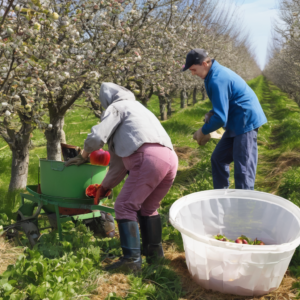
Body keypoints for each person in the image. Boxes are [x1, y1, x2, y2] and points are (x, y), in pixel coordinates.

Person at [65, 83, 178, 272]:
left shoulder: (116, 107)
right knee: (148, 208)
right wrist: (104, 187)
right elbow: (118, 164)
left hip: (148, 159)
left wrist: (83, 155)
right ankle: (154, 255)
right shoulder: (140, 110)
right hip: (170, 159)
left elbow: (96, 137)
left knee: (124, 206)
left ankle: (131, 261)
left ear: (107, 99)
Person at [182, 49, 267, 190]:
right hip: (236, 119)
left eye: (193, 69)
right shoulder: (212, 75)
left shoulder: (217, 78)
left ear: (204, 64)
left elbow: (221, 118)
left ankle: (243, 206)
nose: (192, 73)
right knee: (218, 159)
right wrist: (212, 113)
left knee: (243, 170)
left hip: (245, 120)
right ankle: (221, 197)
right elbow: (224, 103)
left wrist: (203, 131)